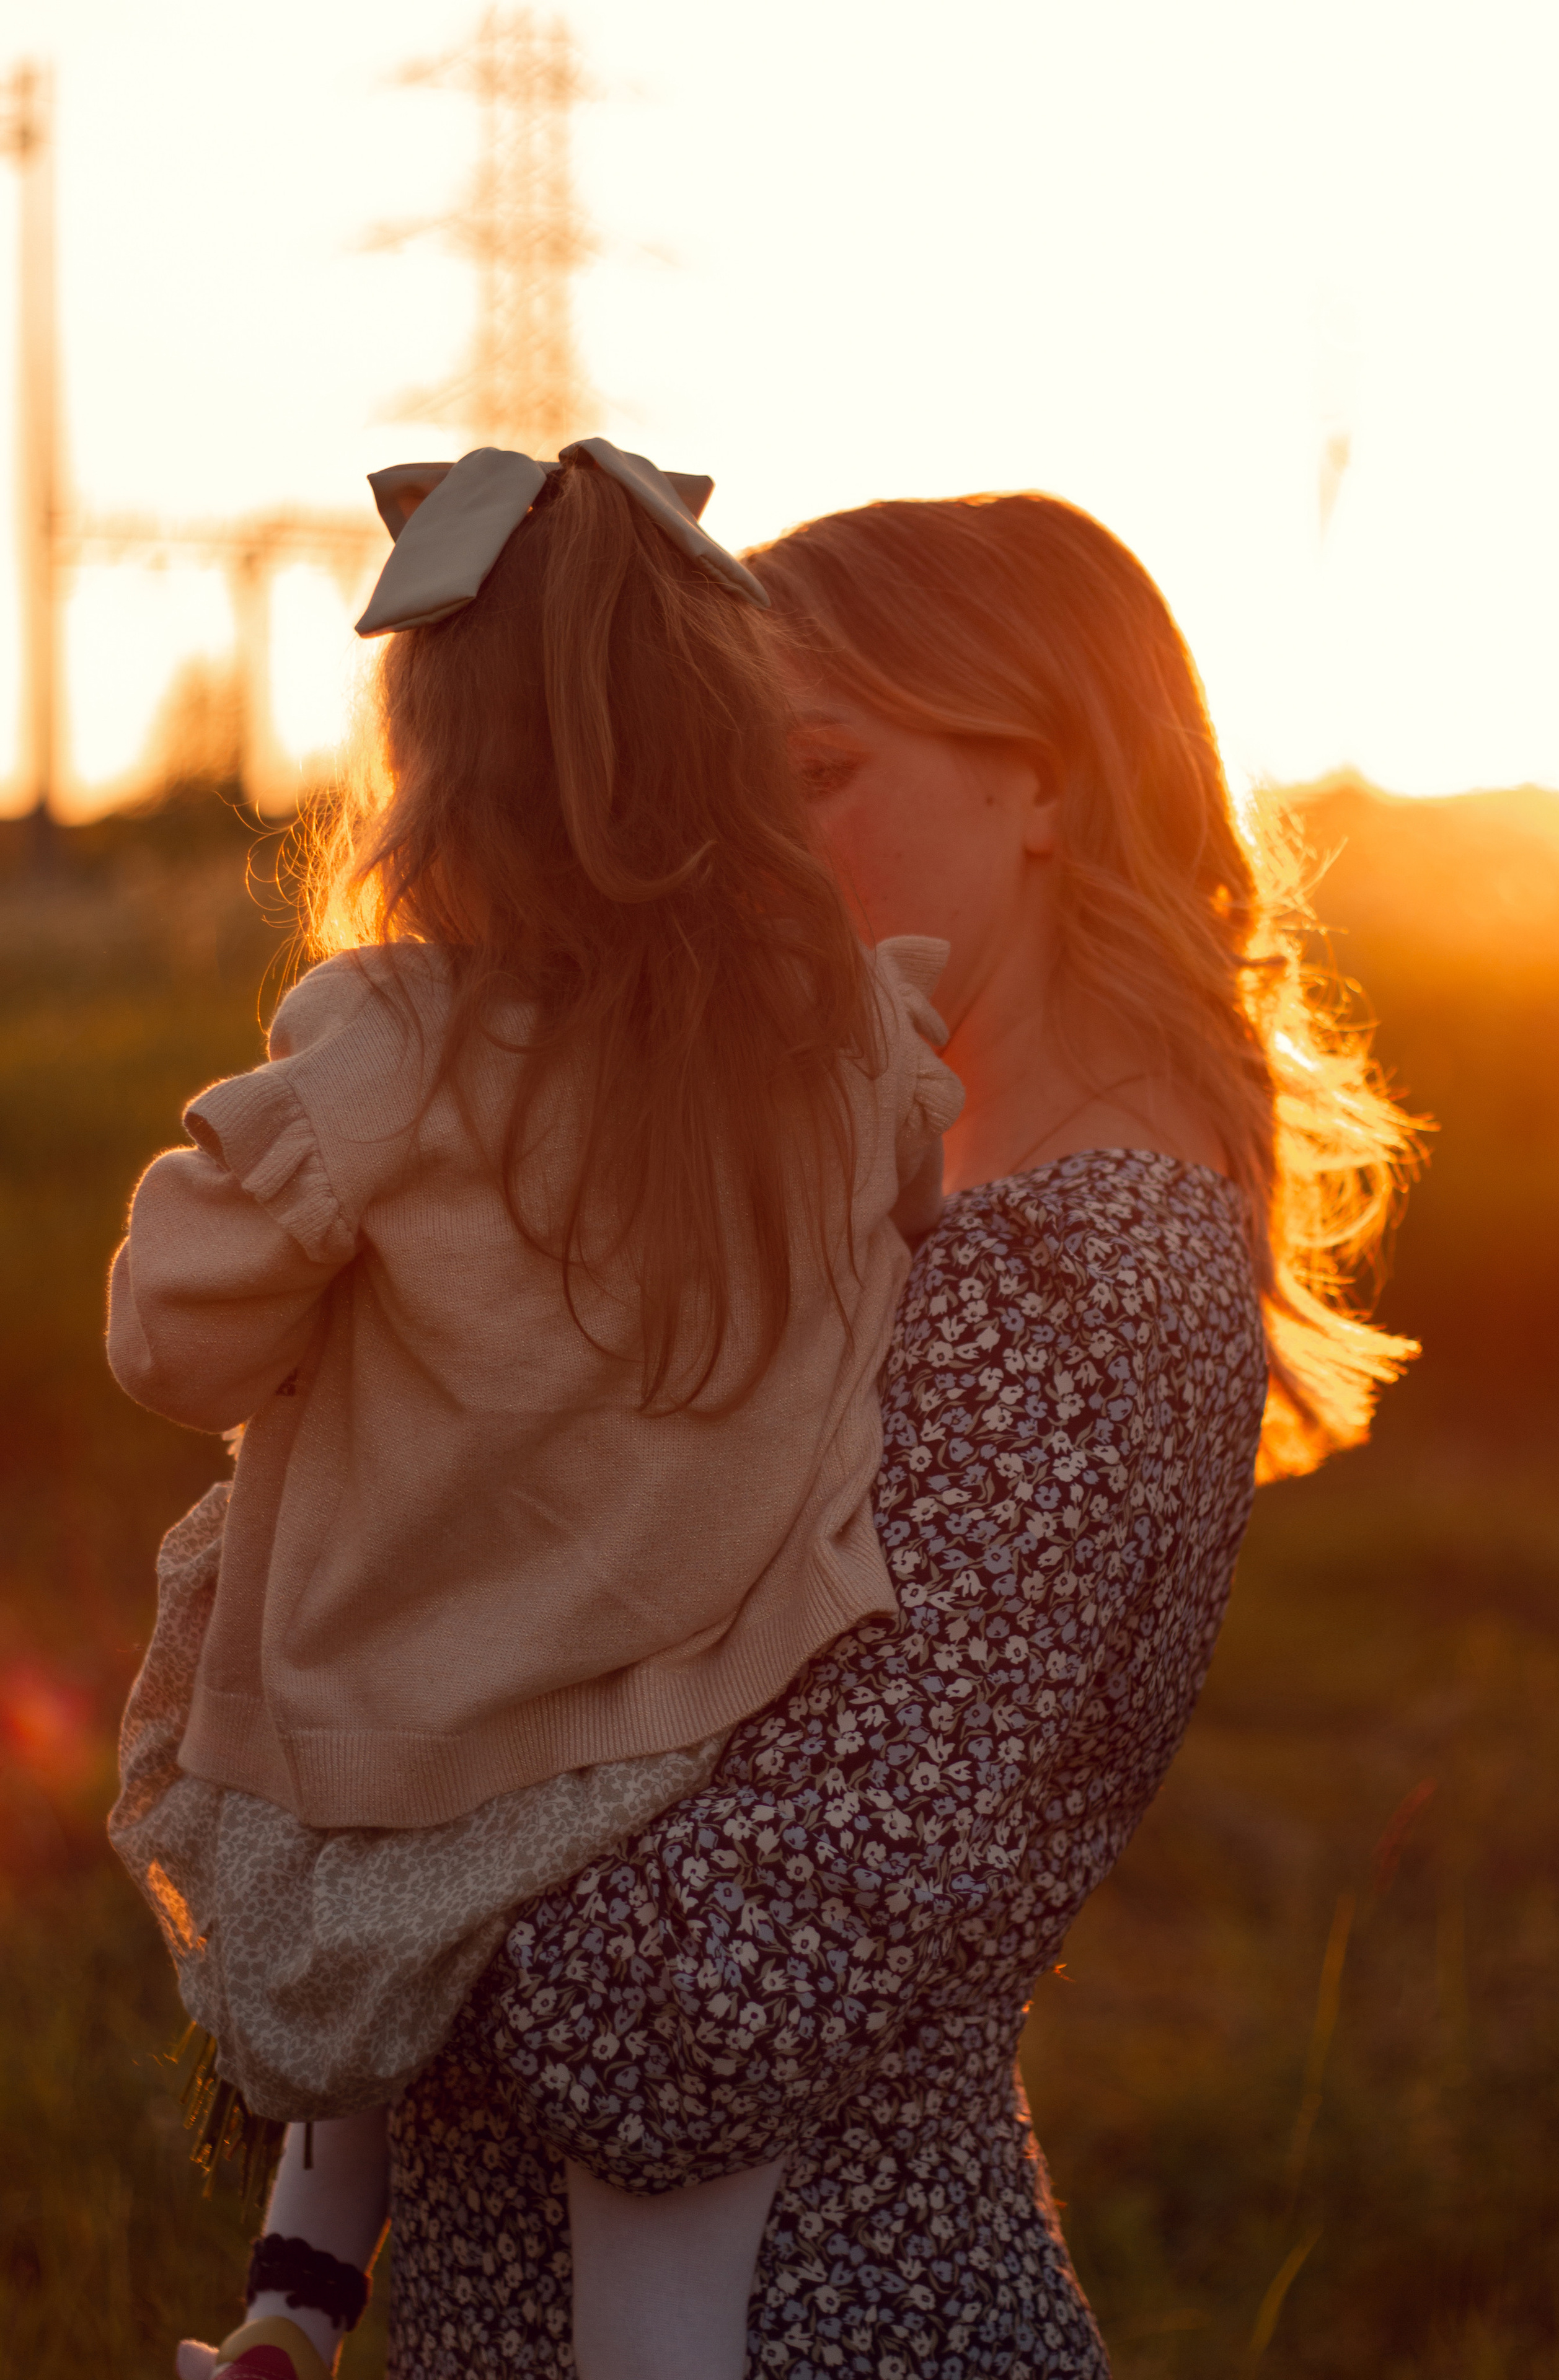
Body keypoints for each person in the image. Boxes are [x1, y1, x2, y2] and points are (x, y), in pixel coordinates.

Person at [377, 490, 1420, 2376]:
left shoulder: (1067, 1281)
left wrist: (341, 1883)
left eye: (823, 770)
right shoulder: (903, 1221)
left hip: (831, 2325)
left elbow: (703, 2024)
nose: (750, 849)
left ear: (1051, 782)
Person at [104, 442, 964, 2380]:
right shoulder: (840, 1034)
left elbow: (172, 1355)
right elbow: (909, 1201)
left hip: (416, 1740)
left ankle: (297, 2290)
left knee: (281, 1604)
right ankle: (375, 2301)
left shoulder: (393, 1046)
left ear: (431, 780)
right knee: (663, 2280)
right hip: (706, 1716)